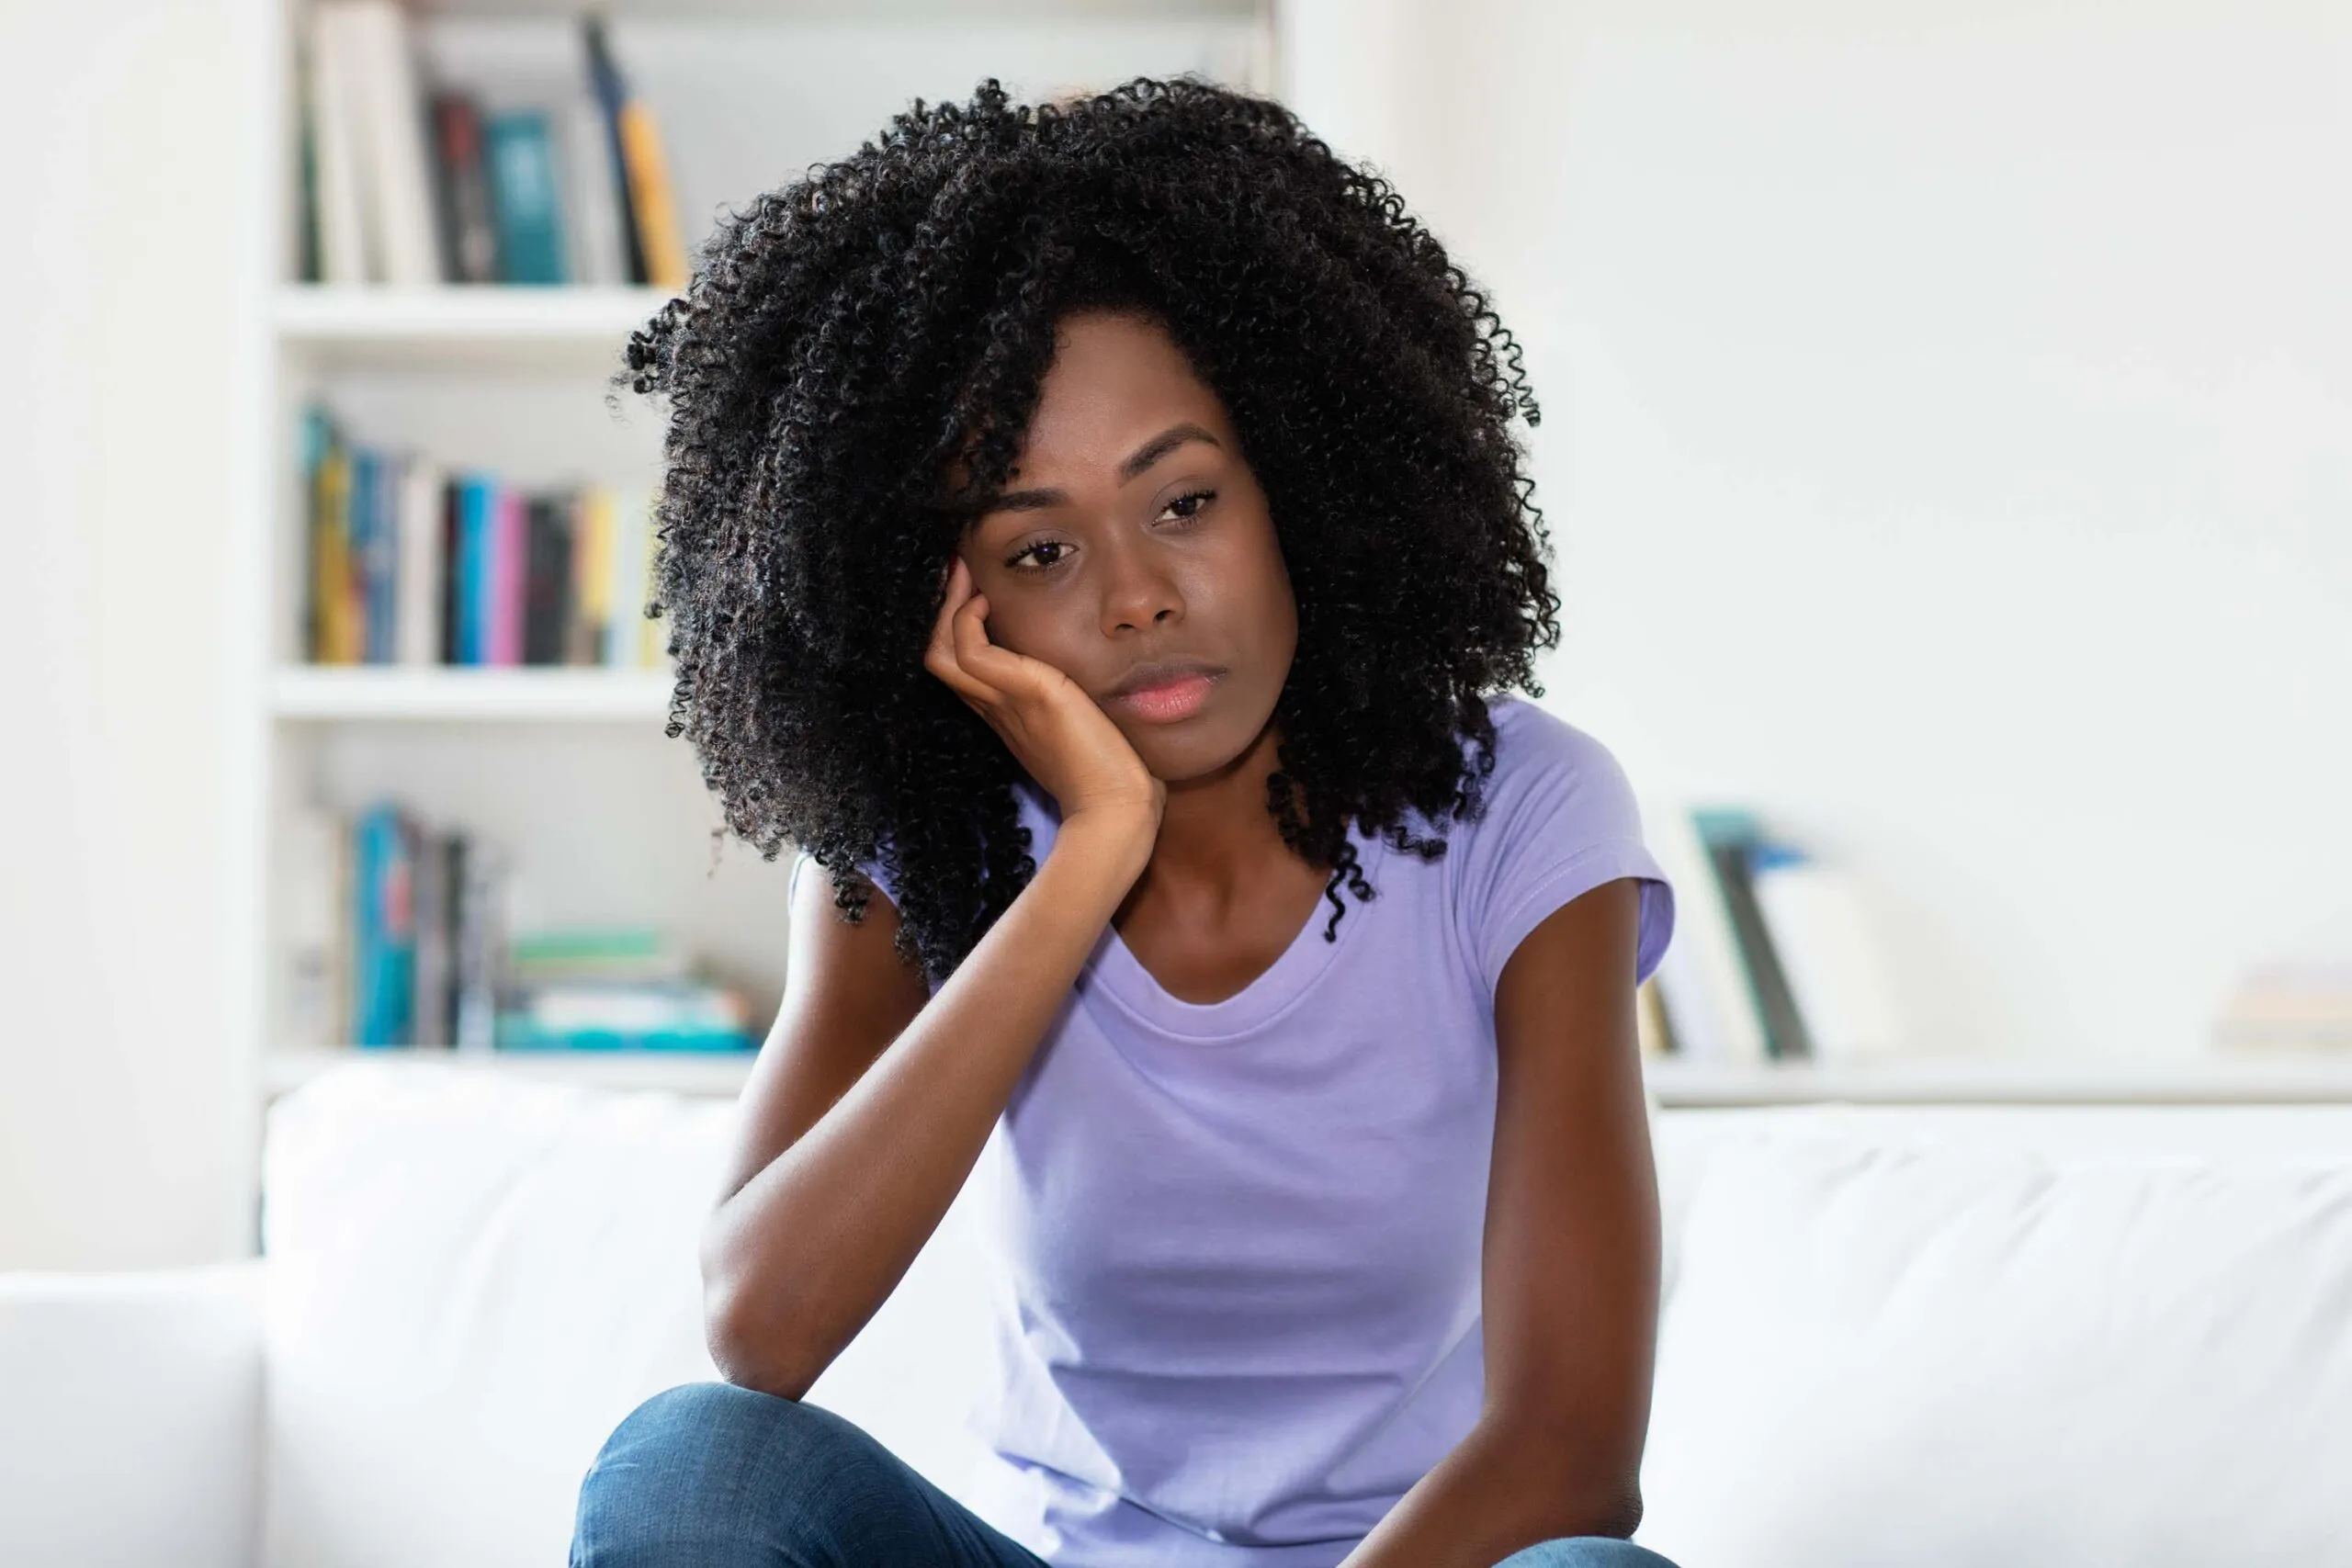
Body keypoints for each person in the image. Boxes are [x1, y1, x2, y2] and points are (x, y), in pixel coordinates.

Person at [571, 73, 1683, 1568]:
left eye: (1184, 503)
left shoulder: (1524, 813)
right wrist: (1088, 854)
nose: (1137, 594)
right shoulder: (931, 842)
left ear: (1299, 481)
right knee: (688, 1476)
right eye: (1042, 544)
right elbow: (759, 1329)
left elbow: (1573, 1445)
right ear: (956, 599)